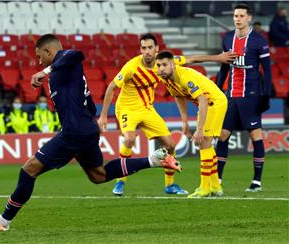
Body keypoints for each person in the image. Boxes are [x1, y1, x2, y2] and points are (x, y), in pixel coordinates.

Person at [0, 34, 182, 232]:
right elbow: (88, 104)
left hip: (75, 132)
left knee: (28, 170)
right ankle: (154, 160)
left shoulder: (67, 61)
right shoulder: (61, 72)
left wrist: (44, 72)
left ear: (49, 51)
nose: (39, 62)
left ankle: (2, 221)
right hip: (84, 129)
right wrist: (89, 121)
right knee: (98, 175)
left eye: (40, 56)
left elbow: (76, 54)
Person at [97, 33, 237, 196]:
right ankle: (121, 181)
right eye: (144, 48)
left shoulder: (164, 64)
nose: (147, 51)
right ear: (140, 49)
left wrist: (218, 58)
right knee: (129, 139)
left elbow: (192, 59)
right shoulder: (132, 67)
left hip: (147, 108)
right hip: (128, 108)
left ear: (156, 49)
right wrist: (104, 115)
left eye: (150, 47)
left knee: (170, 145)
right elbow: (111, 87)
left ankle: (171, 185)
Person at [156, 51, 228, 198]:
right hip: (208, 103)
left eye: (164, 65)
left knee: (204, 142)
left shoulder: (184, 77)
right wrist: (185, 123)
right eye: (158, 65)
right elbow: (178, 96)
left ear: (173, 64)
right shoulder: (166, 79)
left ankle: (204, 188)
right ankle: (215, 186)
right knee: (206, 144)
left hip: (213, 102)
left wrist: (199, 129)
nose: (161, 68)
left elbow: (202, 99)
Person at [216, 3, 272, 192]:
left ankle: (257, 182)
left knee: (255, 136)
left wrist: (266, 94)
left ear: (249, 18)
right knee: (222, 135)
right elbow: (223, 67)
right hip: (231, 95)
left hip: (252, 96)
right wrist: (217, 89)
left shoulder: (259, 41)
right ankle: (218, 181)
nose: (237, 19)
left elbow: (268, 69)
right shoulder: (227, 39)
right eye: (235, 16)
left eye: (241, 16)